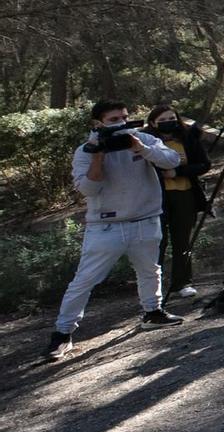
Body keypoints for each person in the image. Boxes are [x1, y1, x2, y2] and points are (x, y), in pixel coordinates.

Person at [46, 102, 186, 360]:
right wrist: (99, 154)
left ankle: (152, 312)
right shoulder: (85, 151)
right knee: (85, 280)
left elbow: (172, 160)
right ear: (98, 123)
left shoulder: (142, 139)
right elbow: (88, 189)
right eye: (113, 119)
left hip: (145, 219)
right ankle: (62, 334)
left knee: (149, 270)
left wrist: (140, 148)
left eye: (124, 117)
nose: (121, 123)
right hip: (106, 226)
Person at [147, 104, 211, 299]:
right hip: (156, 198)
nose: (168, 123)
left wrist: (178, 172)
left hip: (185, 195)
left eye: (171, 118)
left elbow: (204, 164)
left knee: (182, 241)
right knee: (157, 242)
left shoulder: (189, 138)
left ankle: (182, 283)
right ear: (152, 123)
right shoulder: (146, 141)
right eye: (163, 120)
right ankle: (151, 289)